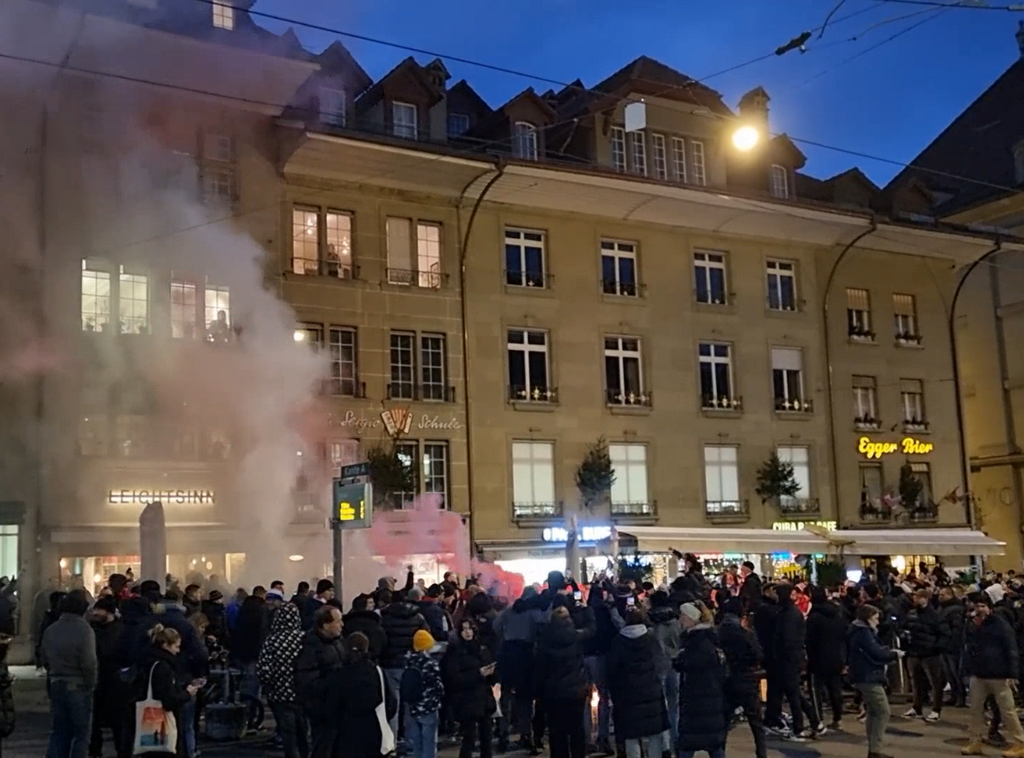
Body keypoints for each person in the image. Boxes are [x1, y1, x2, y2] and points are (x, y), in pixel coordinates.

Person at [961, 593, 1024, 757]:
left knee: (1007, 710)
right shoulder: (973, 625)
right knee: (975, 710)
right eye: (976, 606)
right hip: (979, 673)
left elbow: (1011, 648)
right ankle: (975, 741)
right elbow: (969, 648)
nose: (979, 609)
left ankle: (1020, 742)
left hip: (999, 674)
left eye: (982, 606)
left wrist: (1012, 673)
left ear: (989, 608)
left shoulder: (1000, 625)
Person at [605, 608, 668, 758]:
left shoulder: (618, 642)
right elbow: (660, 663)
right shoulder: (651, 639)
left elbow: (612, 669)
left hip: (628, 694)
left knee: (631, 736)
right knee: (654, 734)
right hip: (651, 692)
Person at [42, 589, 97, 758]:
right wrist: (92, 683)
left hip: (56, 681)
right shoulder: (85, 630)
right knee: (81, 735)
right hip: (78, 684)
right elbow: (89, 662)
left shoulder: (51, 630)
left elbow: (44, 657)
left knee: (59, 731)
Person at [132, 624, 202, 757]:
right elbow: (169, 701)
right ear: (165, 645)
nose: (178, 651)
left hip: (148, 719)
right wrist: (187, 693)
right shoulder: (164, 668)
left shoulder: (149, 662)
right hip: (163, 723)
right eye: (176, 646)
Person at [533, 603, 590, 758]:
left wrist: (538, 693)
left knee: (557, 733)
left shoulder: (545, 642)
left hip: (553, 693)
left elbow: (540, 670)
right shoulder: (576, 638)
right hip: (576, 690)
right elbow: (592, 628)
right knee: (577, 729)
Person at [848, 604, 902, 758]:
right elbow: (875, 653)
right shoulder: (864, 633)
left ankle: (874, 750)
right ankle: (875, 751)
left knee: (873, 711)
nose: (878, 622)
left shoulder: (858, 631)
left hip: (863, 675)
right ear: (868, 618)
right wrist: (893, 654)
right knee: (883, 711)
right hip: (868, 675)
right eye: (876, 618)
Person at [294, 604, 348, 758]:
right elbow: (307, 680)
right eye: (338, 621)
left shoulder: (338, 642)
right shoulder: (311, 646)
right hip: (323, 709)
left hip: (337, 707)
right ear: (326, 625)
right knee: (323, 748)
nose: (342, 625)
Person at [675, 603, 727, 758]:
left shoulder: (696, 642)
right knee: (713, 744)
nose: (681, 620)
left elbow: (692, 664)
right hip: (710, 700)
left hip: (697, 700)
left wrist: (679, 661)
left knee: (688, 744)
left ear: (692, 619)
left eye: (683, 616)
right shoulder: (708, 639)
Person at [716, 599, 766, 758]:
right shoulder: (745, 633)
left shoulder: (717, 633)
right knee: (756, 721)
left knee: (723, 722)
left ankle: (720, 754)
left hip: (726, 679)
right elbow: (758, 655)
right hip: (745, 678)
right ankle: (761, 753)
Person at [257, 602, 308, 758]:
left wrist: (269, 686)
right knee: (304, 732)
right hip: (302, 693)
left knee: (288, 734)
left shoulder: (272, 640)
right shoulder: (305, 639)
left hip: (280, 694)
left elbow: (264, 669)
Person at [339, 632, 398, 758]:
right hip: (374, 730)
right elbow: (391, 701)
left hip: (346, 733)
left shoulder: (340, 673)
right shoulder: (376, 672)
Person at [443, 621, 496, 758]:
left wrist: (493, 674)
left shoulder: (482, 648)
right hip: (466, 700)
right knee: (469, 738)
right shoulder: (455, 652)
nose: (468, 632)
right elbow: (453, 679)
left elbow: (491, 671)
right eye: (464, 629)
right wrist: (478, 674)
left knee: (487, 738)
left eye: (470, 629)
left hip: (484, 698)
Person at [901, 588, 947, 722]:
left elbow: (943, 633)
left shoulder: (935, 615)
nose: (915, 599)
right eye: (914, 597)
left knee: (935, 682)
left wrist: (936, 647)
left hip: (930, 654)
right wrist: (904, 636)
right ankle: (916, 707)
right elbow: (902, 626)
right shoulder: (911, 613)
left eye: (918, 597)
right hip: (914, 652)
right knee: (916, 682)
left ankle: (936, 709)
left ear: (925, 598)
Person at [805, 587, 848, 730]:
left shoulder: (814, 617)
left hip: (817, 657)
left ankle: (818, 720)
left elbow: (809, 639)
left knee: (815, 690)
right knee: (835, 689)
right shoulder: (837, 614)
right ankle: (838, 717)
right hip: (836, 656)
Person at [88, 595, 124, 758]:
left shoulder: (117, 630)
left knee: (116, 721)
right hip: (101, 681)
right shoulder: (93, 629)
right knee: (96, 721)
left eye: (98, 610)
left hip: (112, 681)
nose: (94, 613)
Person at [403, 630, 445, 758]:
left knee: (416, 743)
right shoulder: (430, 663)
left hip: (412, 707)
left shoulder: (408, 661)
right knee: (429, 743)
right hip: (428, 707)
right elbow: (437, 686)